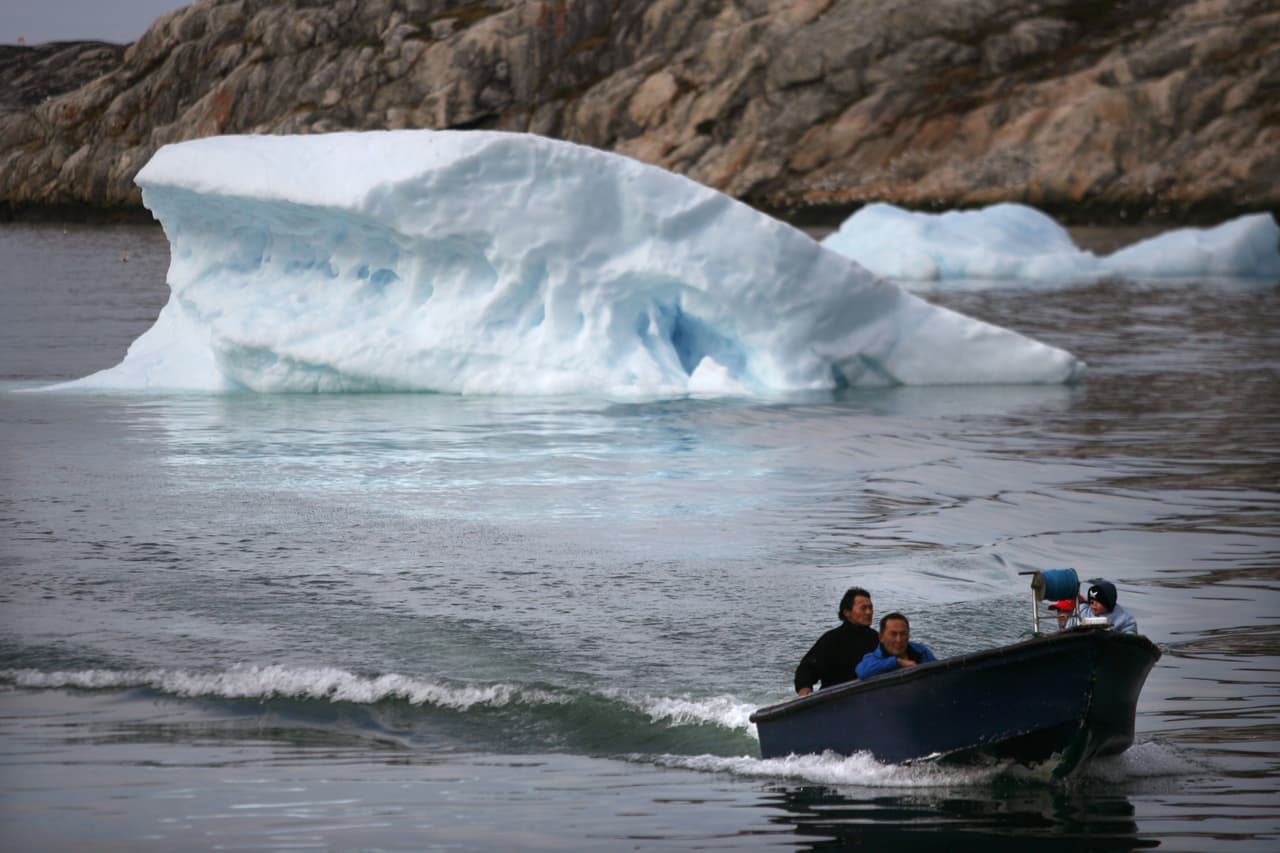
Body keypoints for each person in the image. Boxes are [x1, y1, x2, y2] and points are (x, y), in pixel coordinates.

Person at [794, 587, 879, 696]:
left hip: (870, 696)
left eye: (871, 608)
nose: (869, 612)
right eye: (863, 608)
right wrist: (804, 689)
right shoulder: (832, 639)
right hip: (835, 700)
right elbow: (807, 668)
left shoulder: (876, 638)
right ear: (847, 612)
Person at [855, 612, 937, 679]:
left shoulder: (921, 651)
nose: (899, 640)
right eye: (893, 634)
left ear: (908, 636)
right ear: (881, 637)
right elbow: (862, 672)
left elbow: (939, 671)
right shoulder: (872, 659)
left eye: (903, 634)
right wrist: (897, 662)